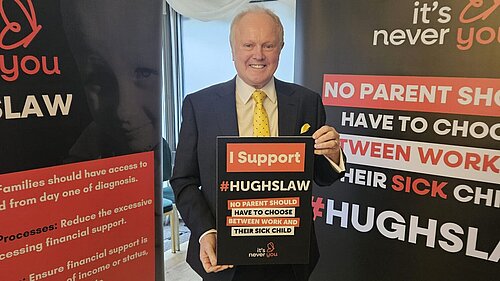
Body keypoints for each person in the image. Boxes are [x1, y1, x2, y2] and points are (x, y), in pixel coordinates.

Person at [170, 6, 346, 281]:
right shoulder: (199, 105)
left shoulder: (306, 102)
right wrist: (206, 232)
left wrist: (332, 153)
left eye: (268, 45)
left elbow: (321, 176)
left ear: (280, 48)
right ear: (233, 49)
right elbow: (183, 180)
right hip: (224, 257)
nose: (258, 55)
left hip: (289, 256)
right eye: (248, 45)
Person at [60, 1, 161, 162]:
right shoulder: (78, 161)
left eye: (145, 73)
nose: (124, 112)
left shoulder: (162, 155)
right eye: (101, 80)